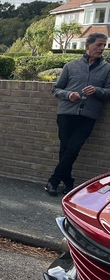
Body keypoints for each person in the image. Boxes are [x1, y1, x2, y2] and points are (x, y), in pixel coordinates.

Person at [45, 32, 110, 196]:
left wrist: (97, 90)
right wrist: (68, 95)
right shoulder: (70, 66)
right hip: (66, 113)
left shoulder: (107, 68)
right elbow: (56, 89)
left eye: (104, 45)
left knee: (73, 149)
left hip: (88, 116)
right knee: (65, 149)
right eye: (99, 45)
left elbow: (109, 92)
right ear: (88, 46)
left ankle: (53, 181)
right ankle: (68, 183)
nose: (102, 48)